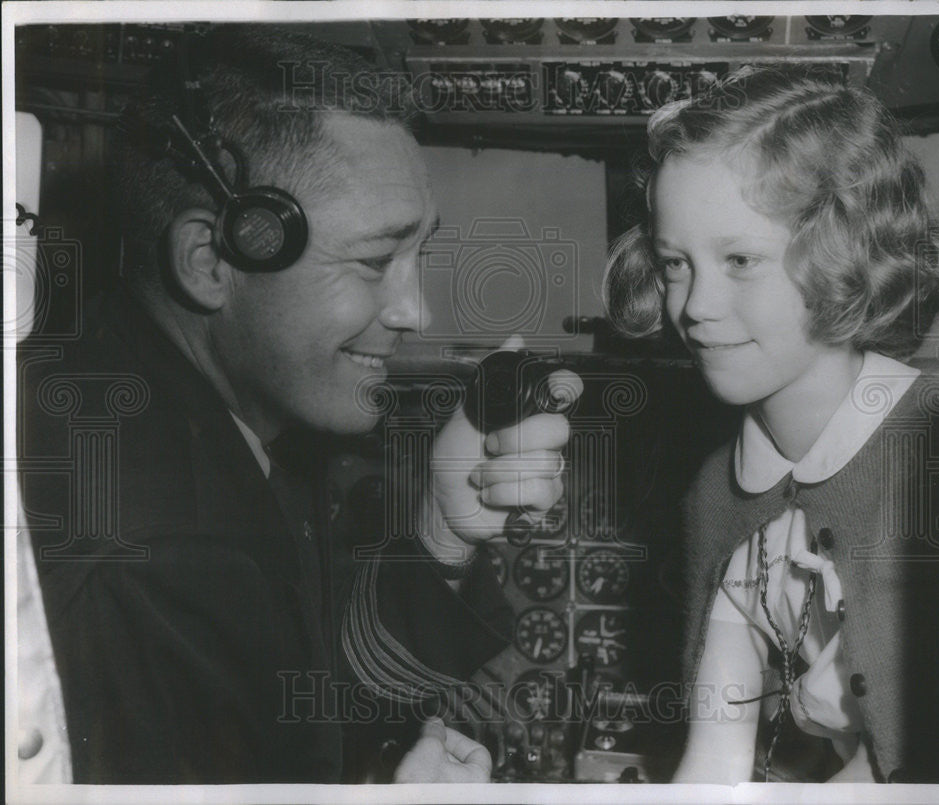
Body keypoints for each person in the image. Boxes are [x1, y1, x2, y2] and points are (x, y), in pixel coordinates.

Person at [18, 25, 578, 784]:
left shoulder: (198, 417)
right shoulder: (153, 550)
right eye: (376, 261)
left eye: (420, 256)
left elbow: (300, 703)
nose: (415, 309)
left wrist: (442, 532)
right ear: (210, 262)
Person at [604, 65, 939, 783]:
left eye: (740, 260)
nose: (696, 306)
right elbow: (715, 760)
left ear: (844, 250)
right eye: (676, 263)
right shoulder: (715, 489)